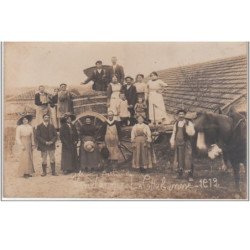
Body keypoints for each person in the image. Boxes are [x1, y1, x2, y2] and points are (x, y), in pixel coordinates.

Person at [170, 109, 195, 181]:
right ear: (178, 115)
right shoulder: (176, 123)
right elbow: (174, 133)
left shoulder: (188, 123)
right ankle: (179, 173)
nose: (181, 116)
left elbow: (192, 133)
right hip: (178, 143)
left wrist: (187, 128)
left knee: (188, 158)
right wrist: (172, 142)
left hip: (186, 143)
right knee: (179, 159)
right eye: (179, 114)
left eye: (182, 114)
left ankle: (190, 176)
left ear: (185, 115)